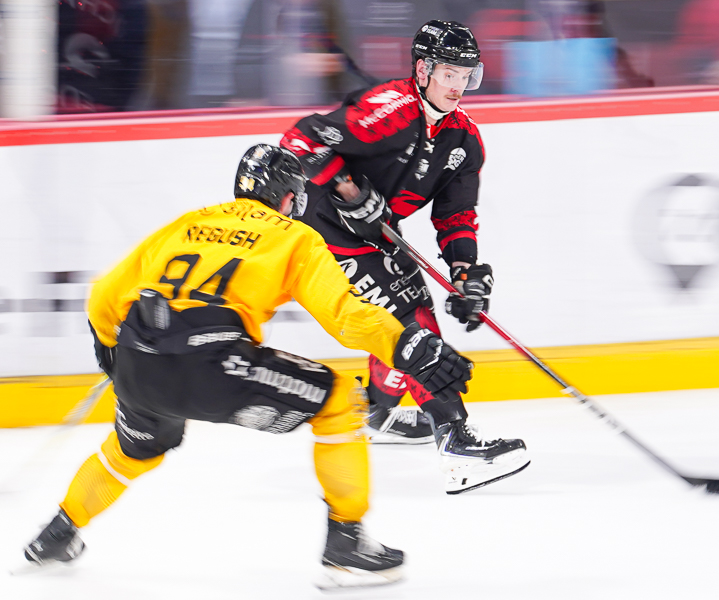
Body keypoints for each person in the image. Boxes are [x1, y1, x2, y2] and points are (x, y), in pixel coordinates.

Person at [21, 144, 473, 590]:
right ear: (288, 197)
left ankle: (58, 534)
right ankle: (346, 542)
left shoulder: (191, 221)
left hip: (140, 360)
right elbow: (346, 315)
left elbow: (103, 295)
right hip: (214, 362)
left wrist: (109, 351)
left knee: (131, 449)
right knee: (340, 399)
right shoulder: (294, 235)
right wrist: (409, 344)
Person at [279, 19, 530, 494]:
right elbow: (298, 140)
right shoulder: (390, 107)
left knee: (407, 315)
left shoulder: (465, 140)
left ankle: (373, 415)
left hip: (375, 236)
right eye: (450, 74)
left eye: (466, 76)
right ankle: (455, 441)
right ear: (423, 69)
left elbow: (456, 216)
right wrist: (348, 188)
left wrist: (465, 274)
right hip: (321, 232)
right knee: (412, 320)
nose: (458, 86)